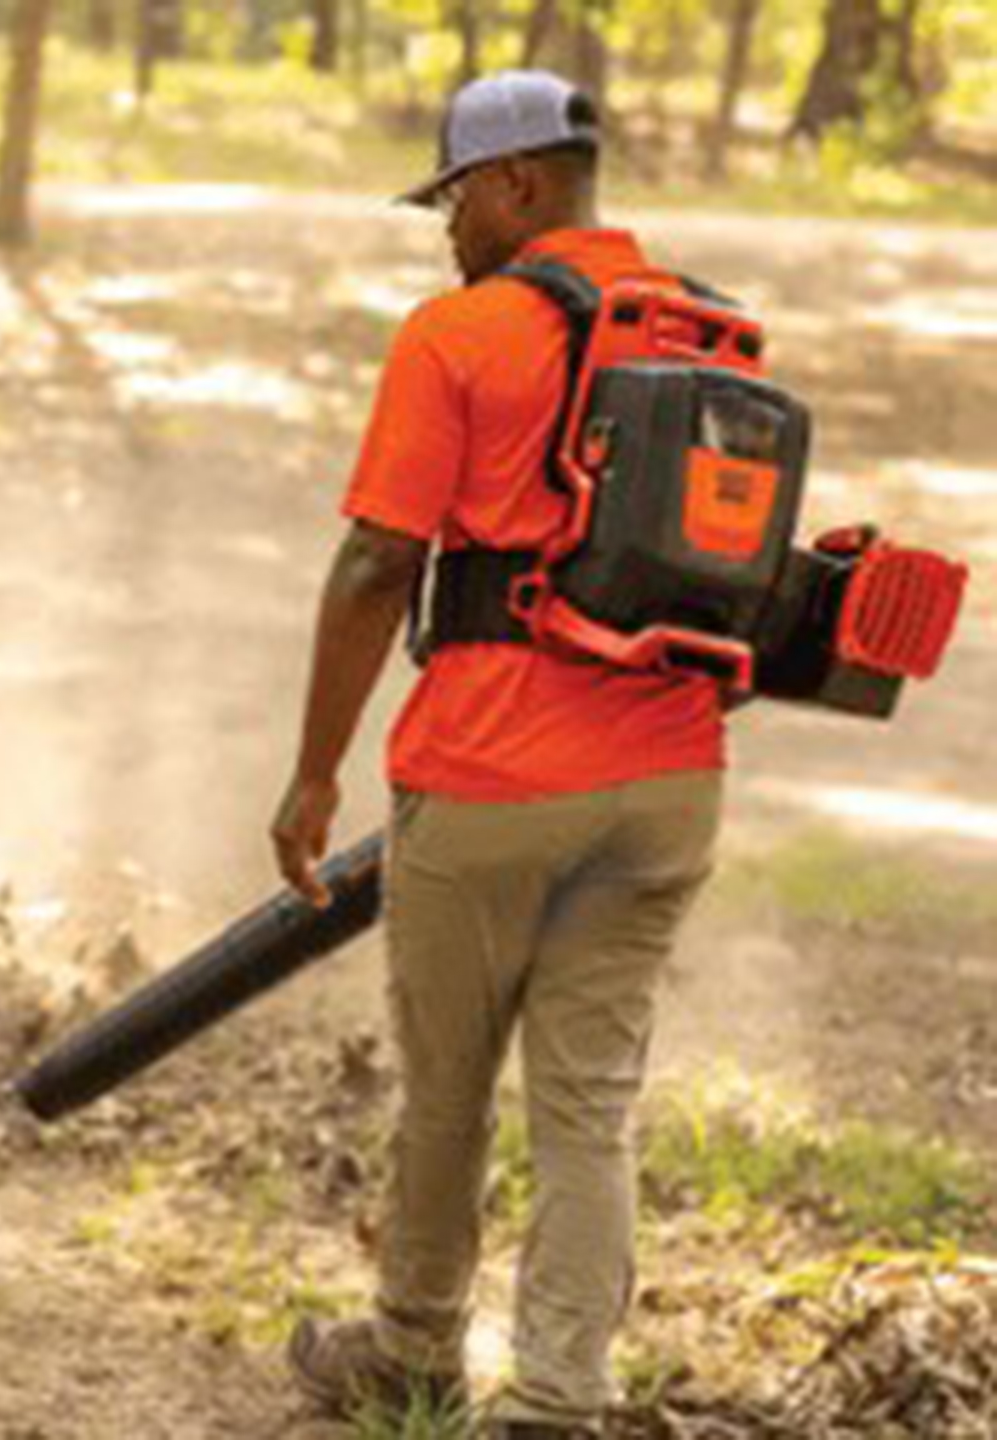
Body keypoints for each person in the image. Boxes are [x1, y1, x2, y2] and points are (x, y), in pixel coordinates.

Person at [269, 71, 726, 1439]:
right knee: (590, 1107)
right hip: (669, 785)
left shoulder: (458, 336)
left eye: (454, 200)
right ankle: (559, 1399)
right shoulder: (708, 334)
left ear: (517, 182)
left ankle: (413, 1353)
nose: (447, 230)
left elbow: (376, 564)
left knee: (450, 1094)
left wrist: (314, 774)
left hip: (492, 778)